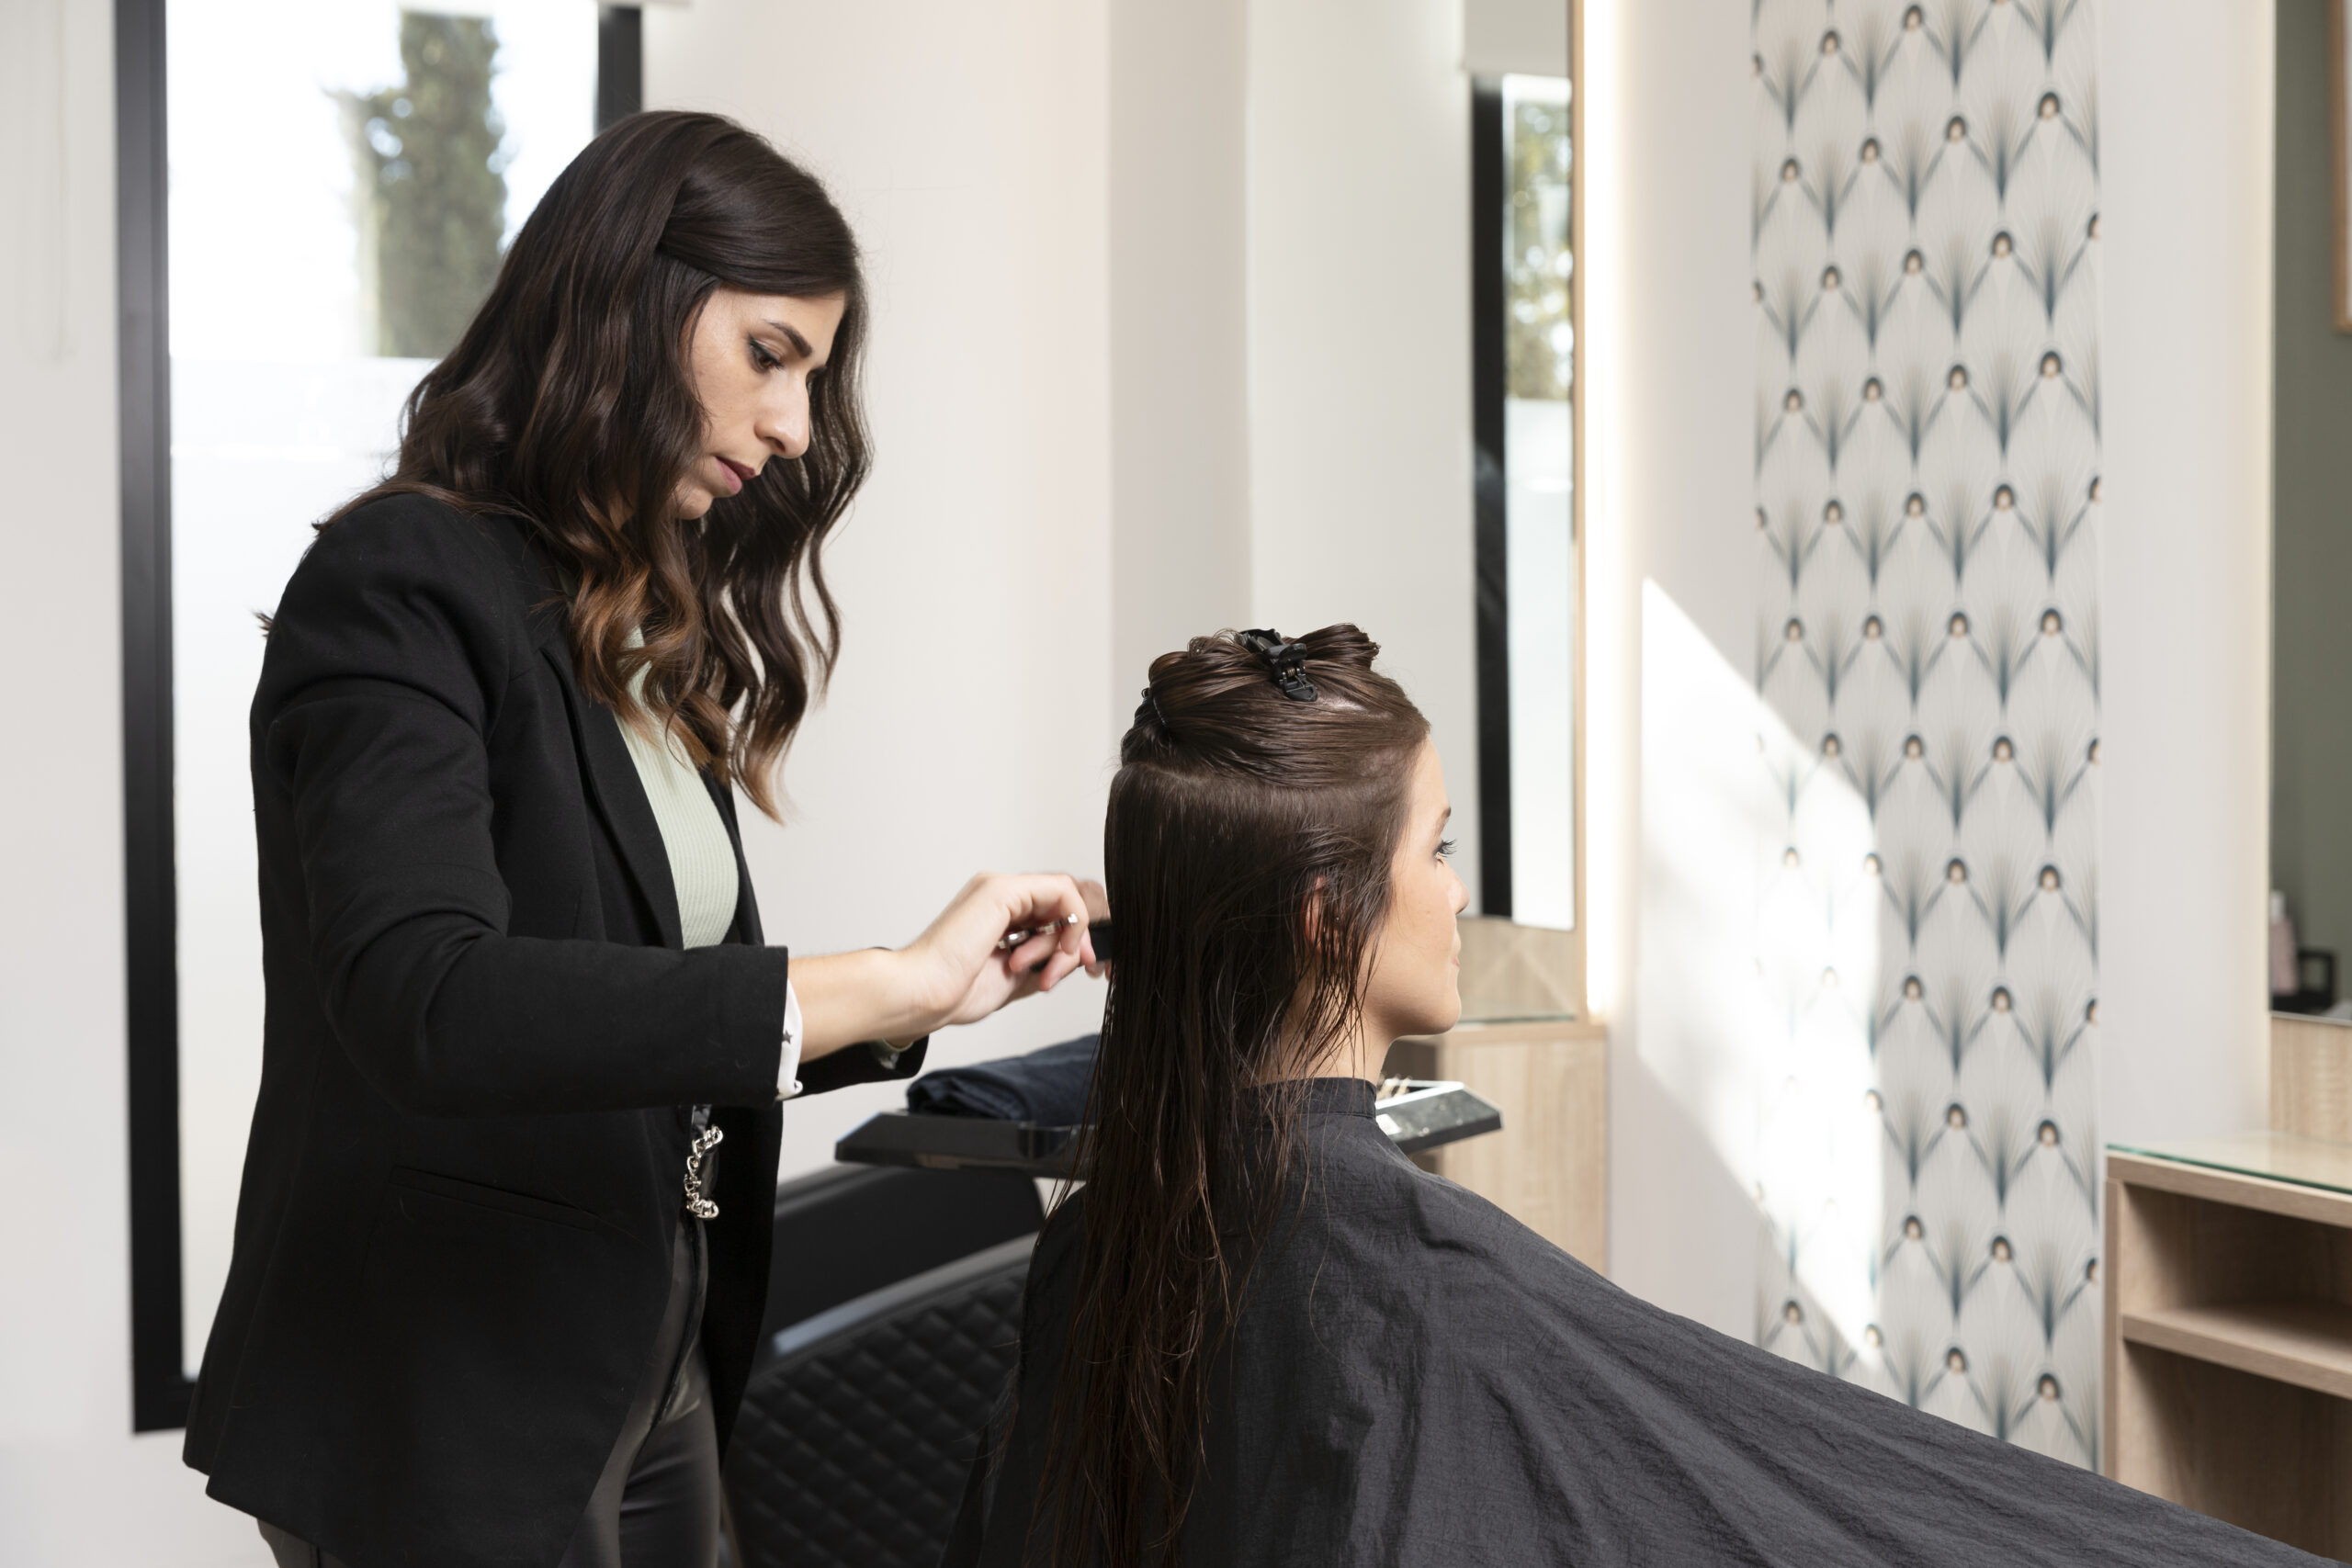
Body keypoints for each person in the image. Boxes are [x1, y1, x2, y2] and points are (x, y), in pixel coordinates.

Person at [182, 111, 1102, 1568]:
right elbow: (431, 1000)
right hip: (447, 1390)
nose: (796, 427)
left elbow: (632, 998)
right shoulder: (400, 582)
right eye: (771, 354)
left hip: (644, 1355)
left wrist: (939, 991)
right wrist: (880, 980)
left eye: (812, 375)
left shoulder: (630, 622)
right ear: (632, 300)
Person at [945, 625, 2320, 1568]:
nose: (1459, 890)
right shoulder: (1413, 1280)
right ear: (1327, 920)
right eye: (1435, 848)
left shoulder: (1097, 1240)